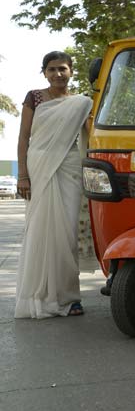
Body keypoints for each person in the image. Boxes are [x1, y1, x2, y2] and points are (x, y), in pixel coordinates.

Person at [14, 51, 93, 319]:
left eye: (62, 69)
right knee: (40, 230)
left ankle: (70, 298)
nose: (57, 74)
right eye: (51, 69)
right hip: (40, 167)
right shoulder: (34, 98)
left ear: (71, 71)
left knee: (67, 234)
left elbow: (90, 138)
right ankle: (40, 296)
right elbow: (24, 138)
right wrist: (23, 175)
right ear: (44, 73)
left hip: (70, 166)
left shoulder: (82, 103)